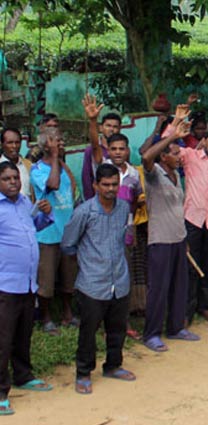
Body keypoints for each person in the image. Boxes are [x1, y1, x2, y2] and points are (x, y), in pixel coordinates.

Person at [61, 164, 136, 395]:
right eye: (105, 185)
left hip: (119, 280)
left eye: (115, 184)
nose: (111, 189)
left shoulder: (124, 208)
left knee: (117, 329)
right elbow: (68, 244)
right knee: (88, 332)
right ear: (95, 185)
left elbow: (124, 237)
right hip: (93, 283)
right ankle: (83, 373)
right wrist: (88, 264)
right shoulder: (84, 212)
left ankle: (113, 366)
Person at [160, 122, 208, 325]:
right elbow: (166, 141)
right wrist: (176, 123)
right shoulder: (190, 156)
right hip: (192, 220)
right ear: (205, 140)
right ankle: (186, 311)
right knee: (191, 266)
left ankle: (204, 306)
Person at [141, 113, 200, 352]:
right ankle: (151, 334)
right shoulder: (154, 174)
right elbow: (146, 155)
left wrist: (184, 239)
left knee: (179, 285)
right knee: (159, 288)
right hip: (160, 240)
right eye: (175, 153)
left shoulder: (176, 177)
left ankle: (176, 327)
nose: (179, 157)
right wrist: (172, 136)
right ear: (163, 157)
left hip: (177, 239)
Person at [0, 162, 54, 416]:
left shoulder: (23, 203)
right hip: (5, 285)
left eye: (15, 177)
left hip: (27, 282)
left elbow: (35, 227)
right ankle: (1, 392)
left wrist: (44, 213)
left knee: (23, 333)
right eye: (6, 178)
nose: (12, 182)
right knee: (3, 339)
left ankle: (23, 375)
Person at [30, 129, 78, 334]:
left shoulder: (63, 167)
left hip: (67, 232)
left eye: (60, 139)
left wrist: (59, 160)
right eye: (54, 140)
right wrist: (56, 157)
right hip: (48, 233)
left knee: (69, 277)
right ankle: (47, 317)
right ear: (45, 145)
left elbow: (72, 188)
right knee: (46, 280)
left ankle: (68, 313)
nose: (59, 142)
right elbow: (53, 184)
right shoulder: (38, 169)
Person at [81, 95, 121, 200]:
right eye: (108, 126)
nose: (111, 129)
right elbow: (87, 177)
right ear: (101, 128)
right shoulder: (92, 150)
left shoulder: (122, 149)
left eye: (115, 127)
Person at [0, 128, 34, 201]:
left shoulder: (28, 165)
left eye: (17, 142)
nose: (14, 146)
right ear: (2, 144)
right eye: (10, 142)